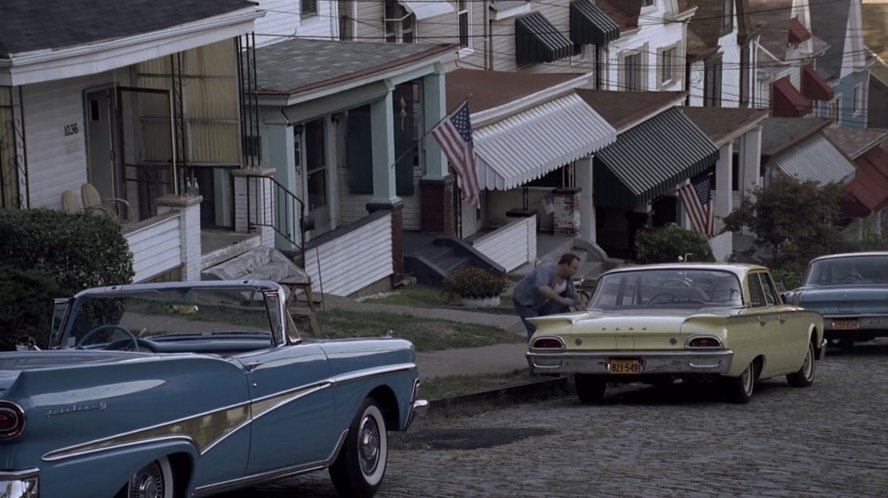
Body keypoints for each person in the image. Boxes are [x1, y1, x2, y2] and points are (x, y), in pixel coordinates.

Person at [512, 252, 581, 341]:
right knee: (535, 327)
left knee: (551, 325)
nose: (576, 271)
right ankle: (534, 352)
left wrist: (586, 312)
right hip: (524, 301)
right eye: (574, 268)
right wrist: (561, 299)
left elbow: (575, 298)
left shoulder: (567, 280)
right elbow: (542, 287)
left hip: (541, 303)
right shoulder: (547, 270)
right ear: (565, 265)